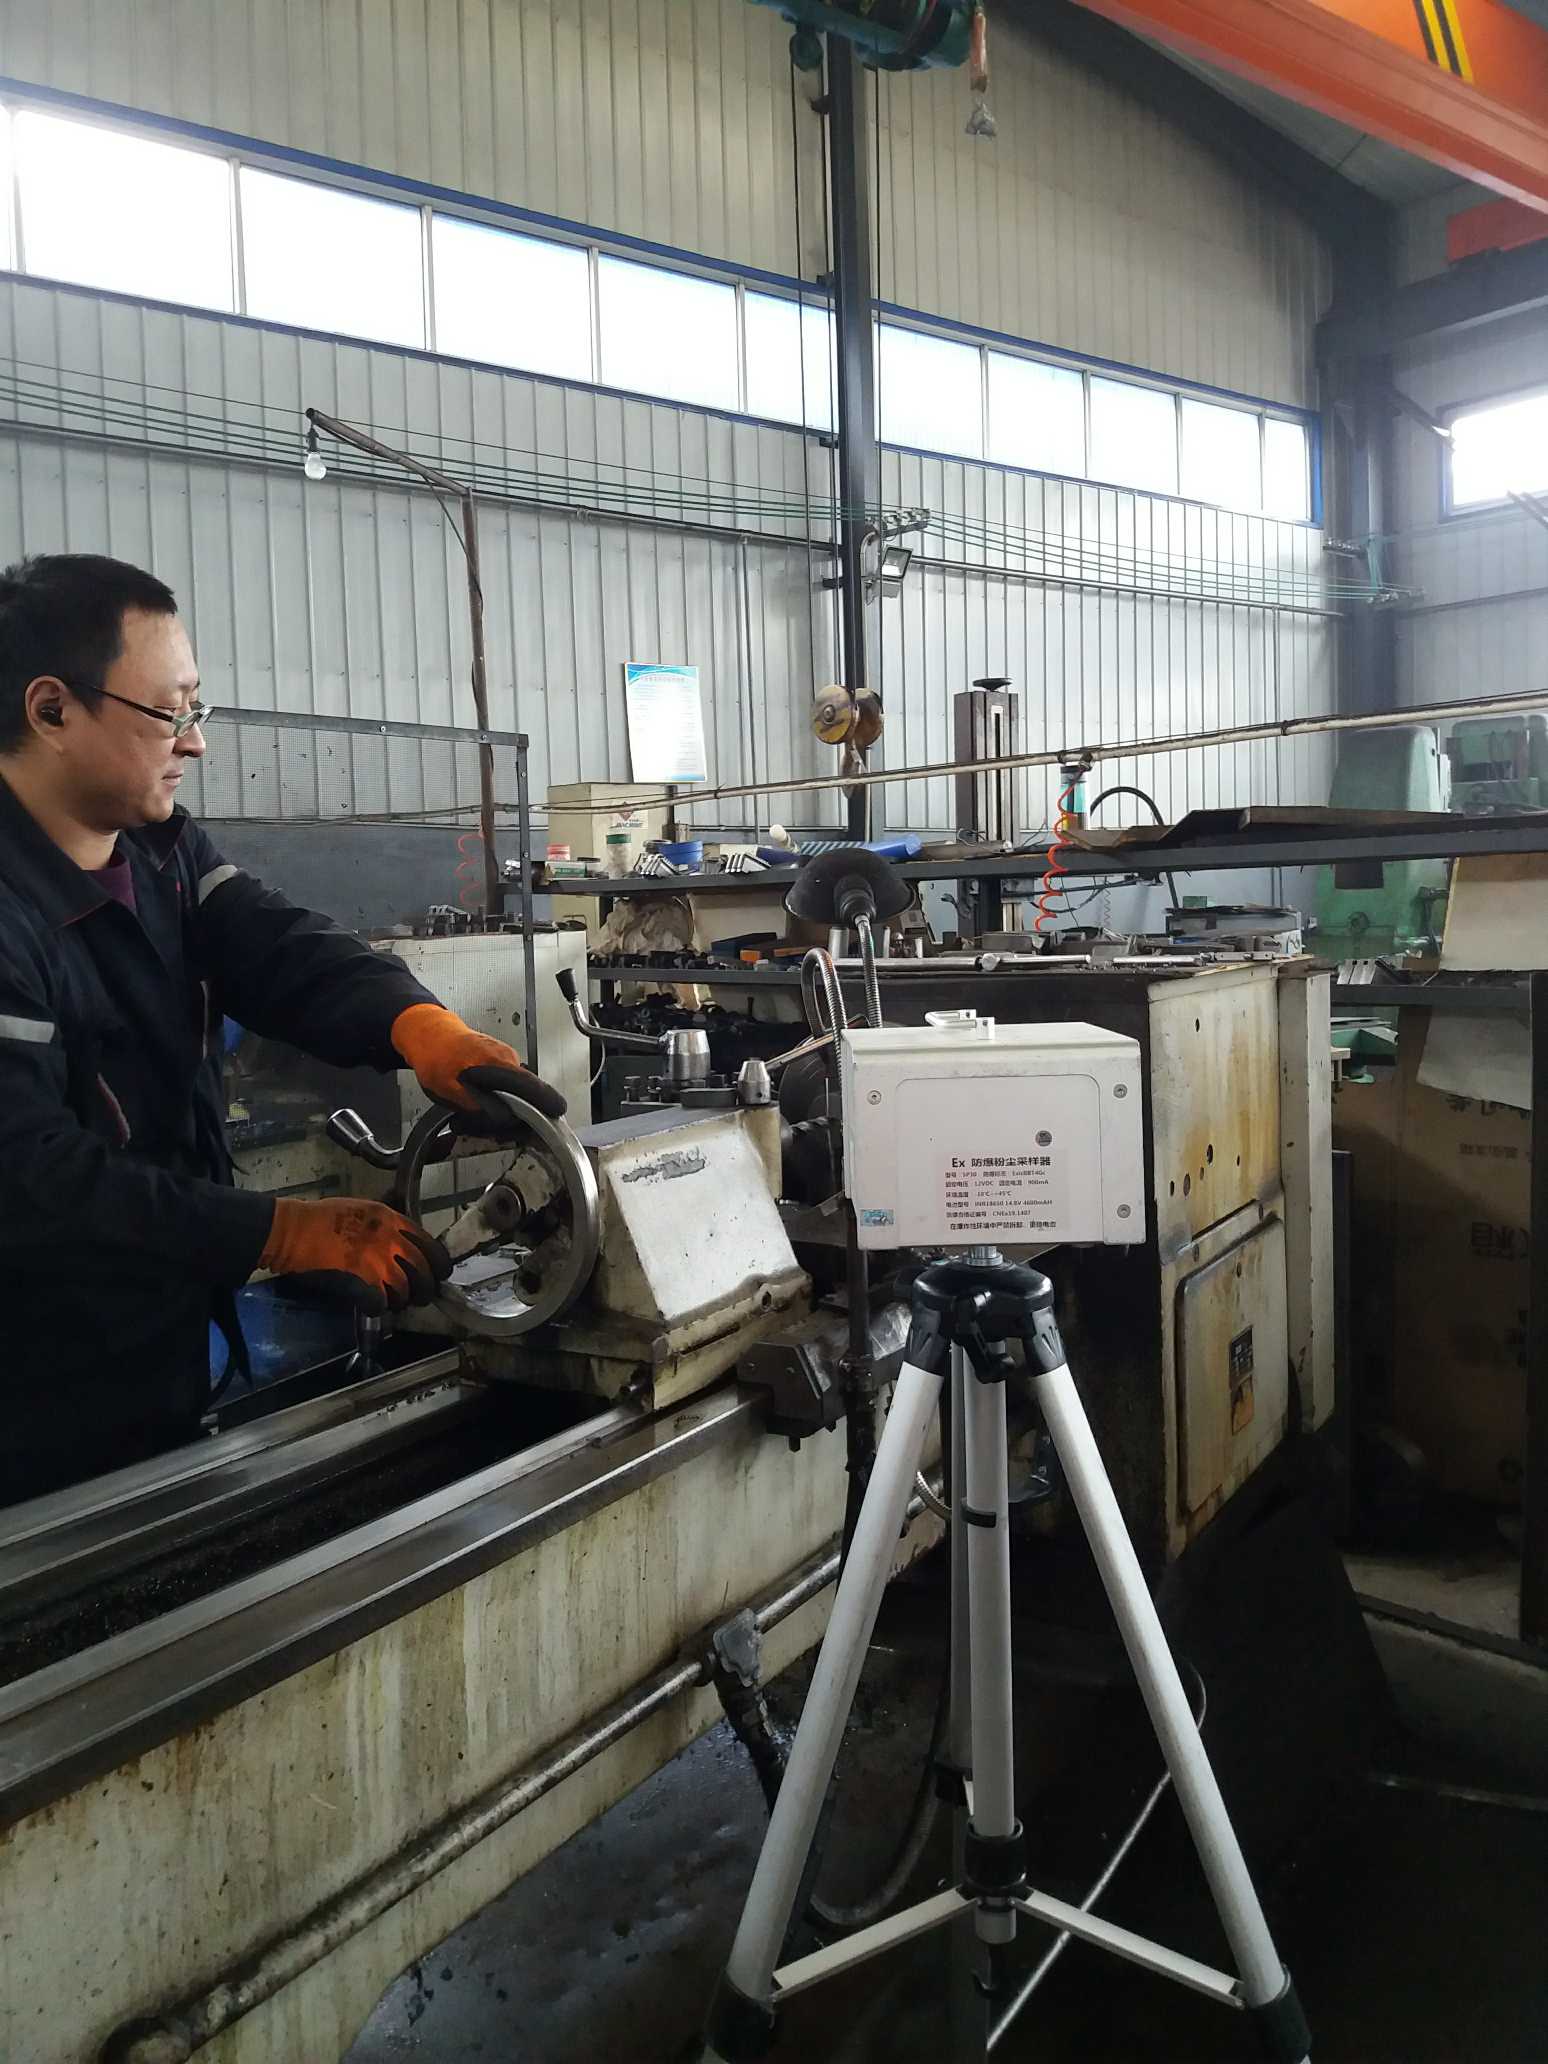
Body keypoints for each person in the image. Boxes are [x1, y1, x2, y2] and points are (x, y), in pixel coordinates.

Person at [0, 552, 565, 1506]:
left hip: (160, 1354)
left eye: (198, 709)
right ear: (52, 711)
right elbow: (30, 1183)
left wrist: (417, 1026)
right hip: (32, 1402)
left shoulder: (159, 848)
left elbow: (276, 944)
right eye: (168, 713)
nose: (194, 743)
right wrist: (281, 1233)